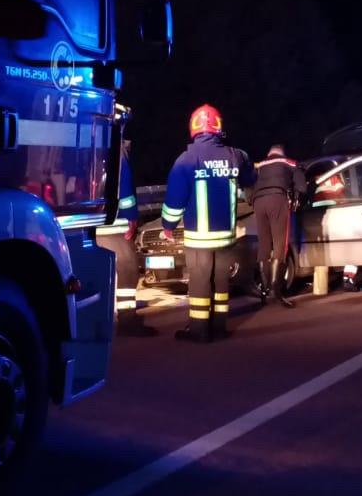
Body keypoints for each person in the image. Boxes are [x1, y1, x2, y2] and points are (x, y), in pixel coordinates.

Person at [161, 104, 255, 342]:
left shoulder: (186, 159)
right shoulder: (235, 155)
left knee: (200, 281)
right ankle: (219, 326)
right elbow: (250, 176)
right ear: (218, 127)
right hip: (226, 237)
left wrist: (168, 226)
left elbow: (175, 200)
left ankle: (200, 331)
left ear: (193, 127)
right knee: (221, 281)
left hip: (199, 238)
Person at [96, 128, 153, 336]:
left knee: (99, 274)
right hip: (116, 224)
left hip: (93, 224)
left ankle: (97, 321)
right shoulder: (115, 151)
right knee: (128, 271)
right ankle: (128, 320)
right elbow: (125, 185)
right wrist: (131, 216)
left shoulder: (87, 148)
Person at [252, 144, 305, 308]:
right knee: (280, 245)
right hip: (277, 199)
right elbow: (301, 184)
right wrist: (298, 198)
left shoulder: (259, 165)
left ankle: (264, 291)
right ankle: (276, 292)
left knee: (264, 245)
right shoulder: (289, 162)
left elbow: (247, 184)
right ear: (281, 153)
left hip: (258, 202)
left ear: (269, 154)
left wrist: (251, 200)